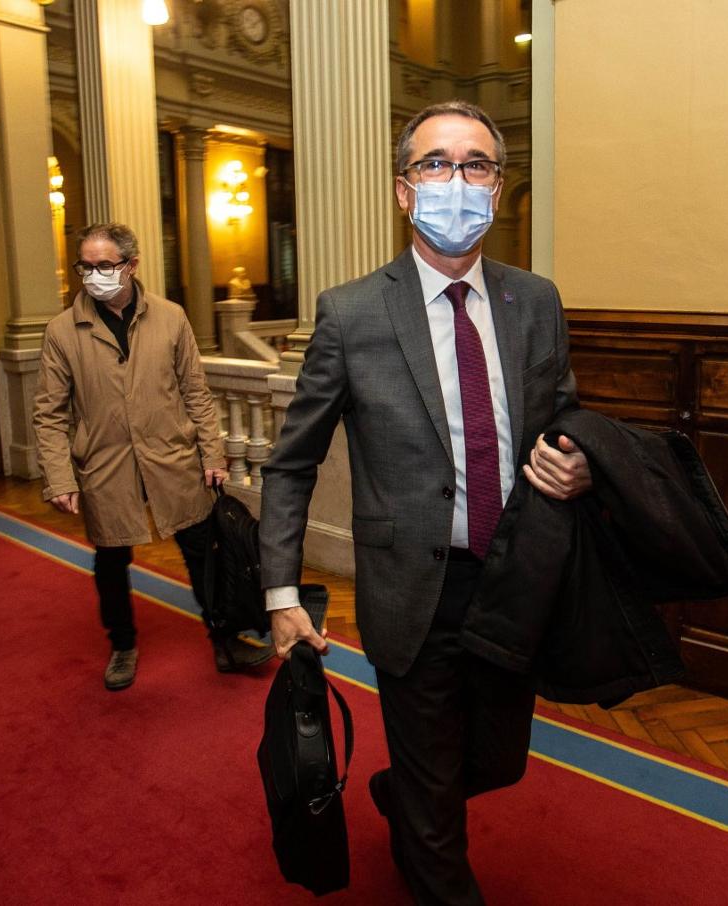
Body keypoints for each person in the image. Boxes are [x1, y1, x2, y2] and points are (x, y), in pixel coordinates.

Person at [258, 101, 592, 903]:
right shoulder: (352, 312)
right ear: (405, 191)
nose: (456, 181)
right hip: (414, 588)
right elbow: (290, 462)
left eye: (475, 164)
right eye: (435, 164)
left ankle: (405, 796)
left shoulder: (535, 300)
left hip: (516, 583)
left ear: (499, 188)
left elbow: (562, 414)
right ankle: (428, 839)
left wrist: (577, 461)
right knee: (439, 808)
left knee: (497, 762)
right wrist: (279, 591)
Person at [33, 222, 274, 691]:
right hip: (105, 463)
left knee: (204, 553)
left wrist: (213, 453)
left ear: (132, 265)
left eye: (105, 265)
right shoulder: (63, 330)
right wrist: (60, 477)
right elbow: (49, 413)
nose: (93, 275)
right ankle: (122, 644)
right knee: (111, 560)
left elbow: (196, 393)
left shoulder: (170, 317)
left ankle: (224, 639)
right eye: (86, 266)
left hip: (173, 457)